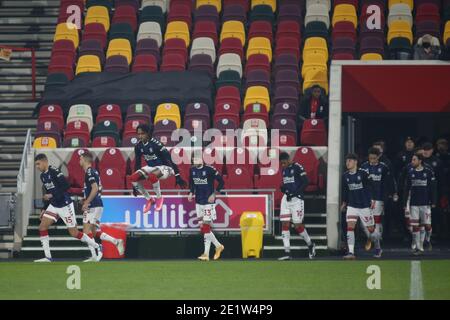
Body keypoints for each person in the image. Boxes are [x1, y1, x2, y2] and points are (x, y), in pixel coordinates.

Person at [34, 153, 102, 262]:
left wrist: (52, 195)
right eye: (36, 165)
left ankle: (96, 246)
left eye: (38, 164)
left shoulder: (54, 171)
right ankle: (48, 257)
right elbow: (48, 192)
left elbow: (66, 186)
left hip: (65, 204)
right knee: (42, 227)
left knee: (74, 233)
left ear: (45, 162)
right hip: (54, 204)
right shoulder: (43, 176)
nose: (37, 167)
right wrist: (44, 208)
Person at [129, 124, 187, 213]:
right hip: (151, 167)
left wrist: (178, 176)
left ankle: (159, 197)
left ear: (148, 133)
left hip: (165, 167)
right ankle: (149, 199)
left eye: (142, 134)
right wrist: (135, 186)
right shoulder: (138, 146)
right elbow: (137, 163)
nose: (140, 136)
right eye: (138, 134)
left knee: (152, 176)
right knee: (132, 178)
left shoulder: (157, 144)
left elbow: (170, 159)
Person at [79, 151, 124, 262]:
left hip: (93, 205)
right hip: (98, 203)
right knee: (93, 232)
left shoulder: (89, 172)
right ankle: (115, 241)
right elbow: (100, 188)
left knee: (86, 232)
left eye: (80, 159)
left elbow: (95, 188)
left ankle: (96, 252)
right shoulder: (94, 172)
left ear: (85, 160)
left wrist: (87, 202)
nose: (79, 161)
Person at [341, 153, 382, 260]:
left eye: (349, 161)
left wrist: (372, 199)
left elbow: (372, 186)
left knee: (371, 230)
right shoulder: (345, 176)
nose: (347, 163)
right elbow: (345, 191)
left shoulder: (363, 173)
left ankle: (378, 247)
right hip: (352, 205)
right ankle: (351, 252)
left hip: (364, 206)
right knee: (350, 227)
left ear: (355, 162)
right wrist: (344, 203)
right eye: (346, 161)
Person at [278, 152, 316, 260]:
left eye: (284, 163)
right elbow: (287, 184)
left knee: (297, 225)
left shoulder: (298, 167)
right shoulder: (284, 169)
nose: (283, 165)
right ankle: (287, 252)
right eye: (281, 164)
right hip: (286, 199)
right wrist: (284, 188)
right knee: (285, 223)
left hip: (297, 199)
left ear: (289, 159)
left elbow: (306, 182)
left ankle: (310, 245)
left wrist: (294, 193)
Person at [188, 155, 225, 261]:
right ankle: (217, 246)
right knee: (203, 228)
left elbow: (221, 182)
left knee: (206, 226)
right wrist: (190, 192)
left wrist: (214, 194)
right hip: (198, 202)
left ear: (201, 159)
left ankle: (206, 253)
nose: (194, 161)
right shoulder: (192, 170)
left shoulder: (210, 169)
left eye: (196, 159)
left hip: (208, 202)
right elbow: (192, 183)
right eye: (193, 160)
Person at [360, 147, 397, 250]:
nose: (372, 160)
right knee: (364, 222)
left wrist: (393, 192)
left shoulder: (383, 167)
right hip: (366, 198)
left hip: (379, 197)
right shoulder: (363, 167)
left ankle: (377, 240)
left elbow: (390, 181)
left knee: (376, 220)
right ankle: (371, 237)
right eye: (370, 158)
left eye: (374, 158)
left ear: (378, 158)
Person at [403, 153, 437, 255]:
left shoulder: (428, 172)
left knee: (427, 225)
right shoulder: (410, 172)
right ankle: (419, 247)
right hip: (414, 204)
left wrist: (434, 201)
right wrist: (405, 203)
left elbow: (433, 188)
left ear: (420, 161)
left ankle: (427, 239)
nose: (412, 162)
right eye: (412, 160)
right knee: (415, 226)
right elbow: (406, 188)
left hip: (426, 203)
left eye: (414, 160)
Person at [422, 142, 448, 241]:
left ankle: (433, 234)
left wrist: (443, 193)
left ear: (432, 150)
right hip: (421, 191)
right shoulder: (418, 160)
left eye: (428, 149)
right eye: (424, 149)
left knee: (433, 213)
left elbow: (442, 179)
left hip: (434, 192)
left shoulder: (437, 161)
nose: (426, 151)